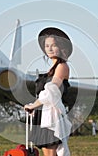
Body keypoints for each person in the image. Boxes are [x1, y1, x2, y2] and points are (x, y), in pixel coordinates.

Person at [24, 27, 73, 156]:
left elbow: (52, 91)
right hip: (43, 114)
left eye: (53, 45)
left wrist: (33, 105)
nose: (49, 49)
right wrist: (34, 106)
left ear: (60, 47)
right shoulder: (52, 69)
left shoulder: (62, 66)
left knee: (51, 154)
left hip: (52, 115)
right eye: (46, 46)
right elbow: (43, 94)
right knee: (48, 153)